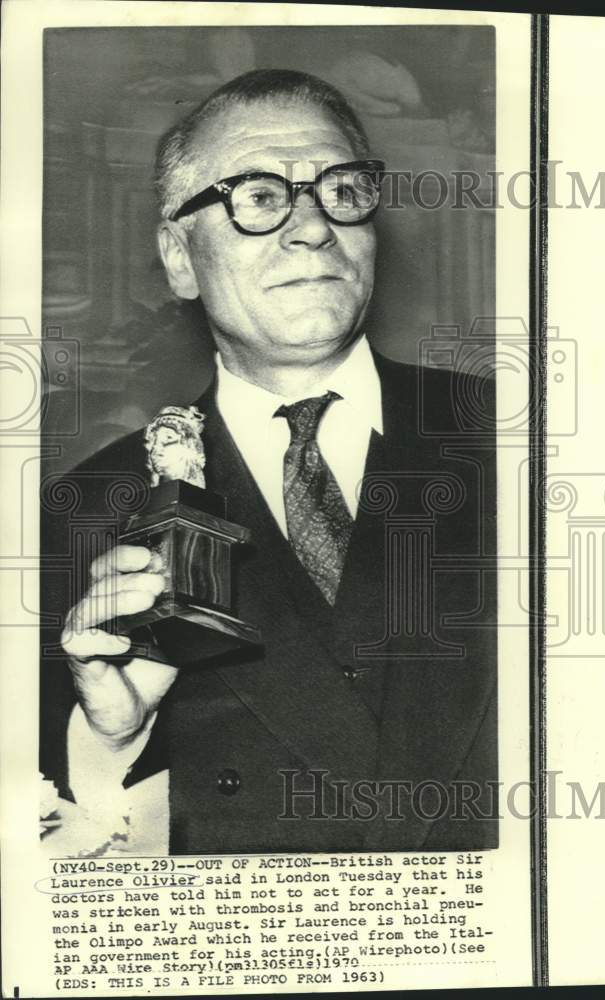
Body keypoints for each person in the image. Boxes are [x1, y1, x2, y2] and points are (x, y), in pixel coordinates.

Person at [40, 69, 497, 853]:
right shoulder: (81, 515)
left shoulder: (522, 441)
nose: (313, 227)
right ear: (178, 257)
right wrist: (109, 743)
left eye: (342, 190)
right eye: (257, 196)